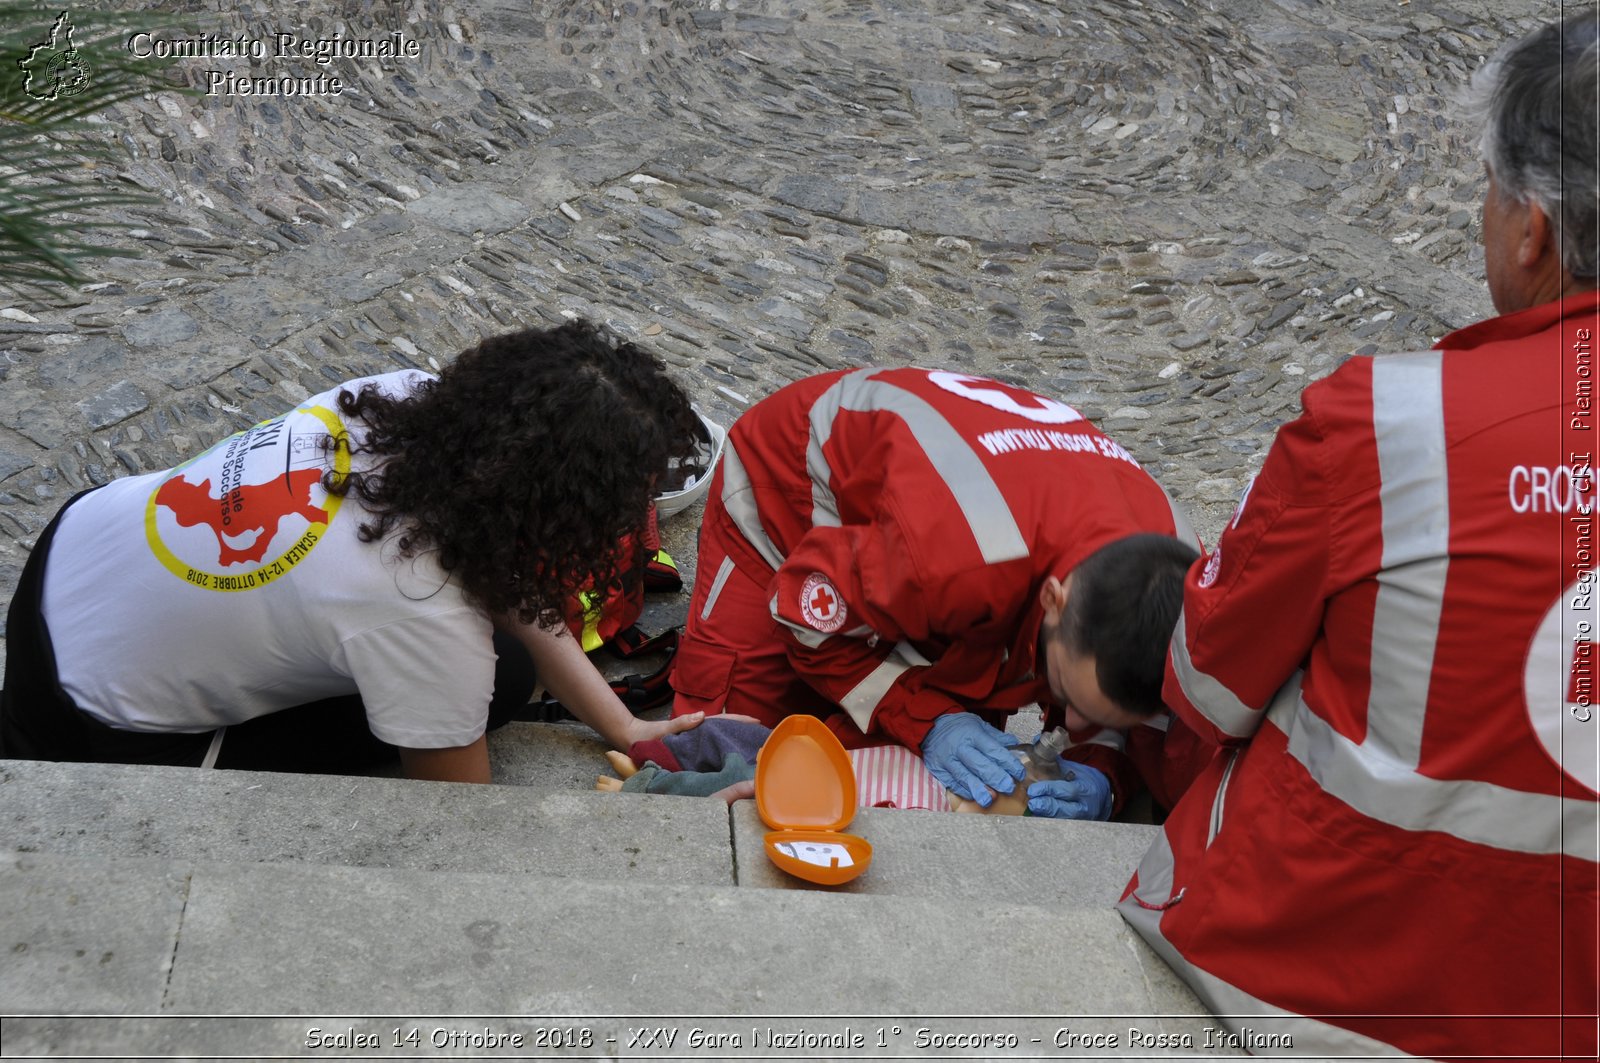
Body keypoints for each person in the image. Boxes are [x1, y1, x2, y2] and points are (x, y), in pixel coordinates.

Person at [1118, 11, 1600, 1059]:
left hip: (1329, 979)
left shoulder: (1384, 423)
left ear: (1533, 230)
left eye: (1486, 186)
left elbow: (1203, 682)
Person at [0, 320, 711, 783]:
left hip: (73, 550)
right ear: (560, 508)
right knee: (488, 688)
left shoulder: (406, 397)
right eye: (623, 502)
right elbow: (459, 815)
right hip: (92, 715)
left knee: (498, 662)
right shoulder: (414, 604)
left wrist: (622, 725)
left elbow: (502, 576)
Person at [668, 365, 1203, 819]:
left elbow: (1151, 706)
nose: (1070, 725)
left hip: (951, 529)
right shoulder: (953, 556)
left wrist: (1106, 767)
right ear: (1053, 600)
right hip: (785, 500)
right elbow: (802, 611)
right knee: (718, 754)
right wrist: (930, 720)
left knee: (944, 780)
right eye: (1060, 691)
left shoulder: (1189, 586)